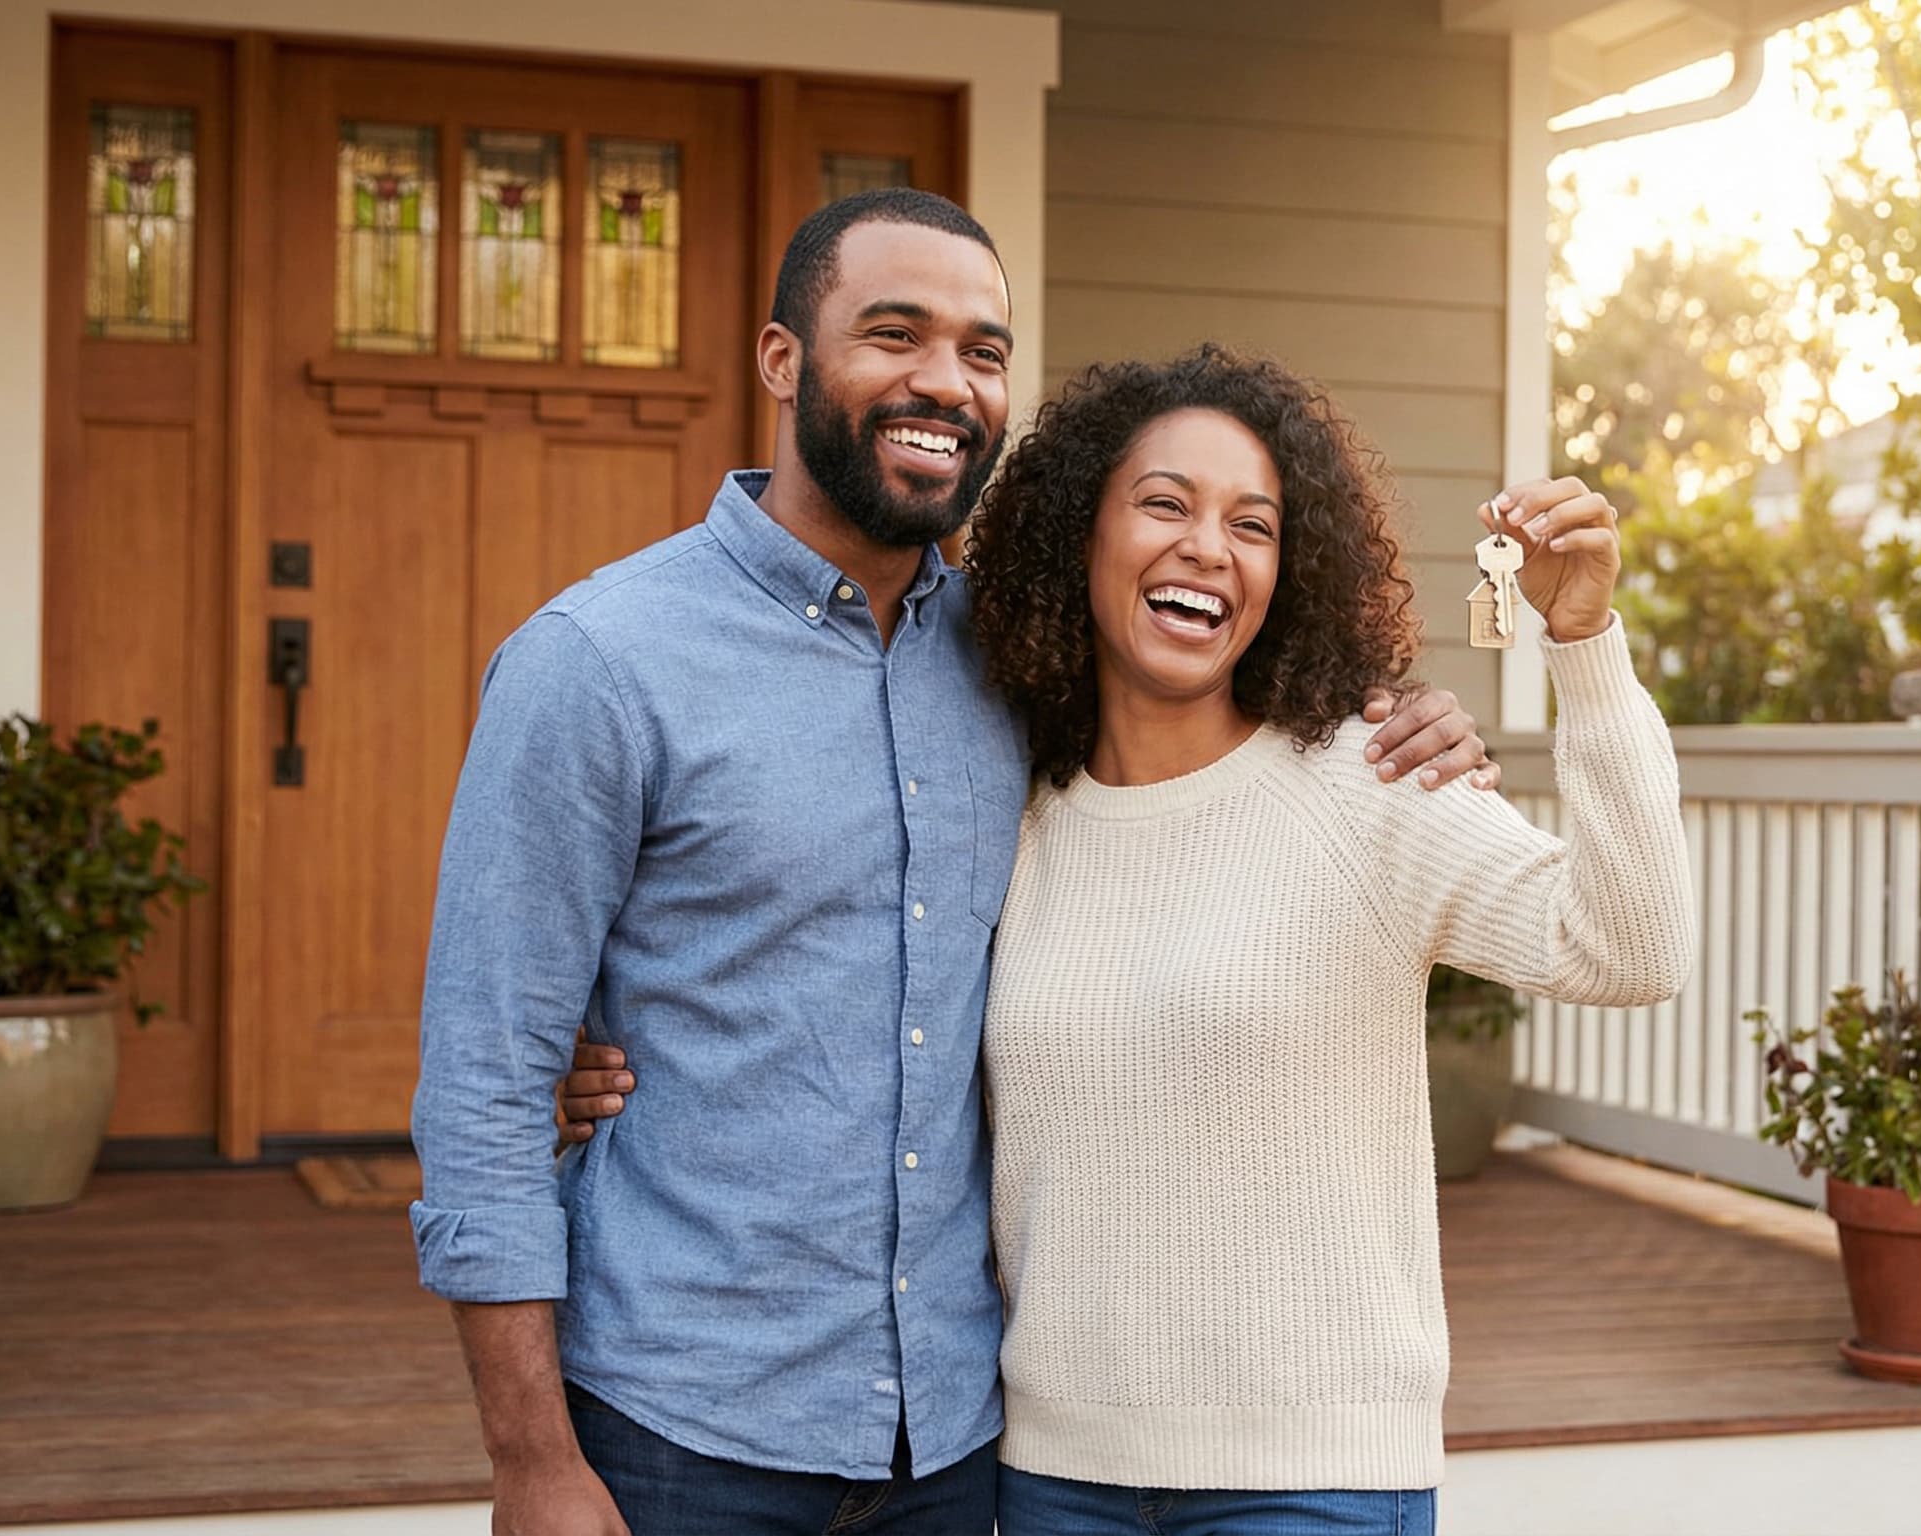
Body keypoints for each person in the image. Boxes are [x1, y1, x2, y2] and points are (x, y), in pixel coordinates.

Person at [408, 190, 1492, 1536]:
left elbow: (1207, 728)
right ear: (783, 359)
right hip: (679, 1434)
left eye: (984, 351)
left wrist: (1401, 716)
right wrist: (529, 1461)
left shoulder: (1020, 664)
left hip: (954, 1448)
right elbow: (483, 1087)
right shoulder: (599, 665)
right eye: (895, 333)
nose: (946, 382)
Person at [571, 346, 1695, 1534]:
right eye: (1164, 504)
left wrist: (1586, 645)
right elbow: (854, 1002)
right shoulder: (1010, 813)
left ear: (1285, 573)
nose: (1208, 546)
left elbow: (1629, 948)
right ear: (1080, 540)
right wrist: (598, 1066)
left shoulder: (1372, 782)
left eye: (1252, 525)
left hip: (1311, 1479)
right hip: (1057, 1475)